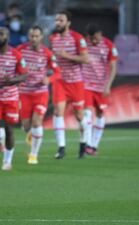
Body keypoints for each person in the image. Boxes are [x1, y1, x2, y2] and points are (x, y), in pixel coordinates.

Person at [0, 27, 28, 171]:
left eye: (1, 34)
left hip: (11, 98)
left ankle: (7, 161)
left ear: (7, 37)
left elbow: (25, 75)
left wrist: (13, 80)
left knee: (9, 129)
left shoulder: (15, 54)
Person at [49, 10, 90, 159]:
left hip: (76, 82)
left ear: (68, 22)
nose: (57, 23)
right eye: (56, 20)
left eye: (61, 20)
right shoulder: (53, 38)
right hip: (60, 81)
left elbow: (86, 59)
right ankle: (61, 147)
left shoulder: (77, 38)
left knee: (79, 116)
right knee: (58, 112)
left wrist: (67, 56)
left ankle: (83, 143)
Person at [17, 25, 60, 164]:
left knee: (37, 122)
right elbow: (13, 63)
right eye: (31, 36)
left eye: (36, 36)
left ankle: (33, 155)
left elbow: (58, 72)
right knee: (26, 125)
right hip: (24, 92)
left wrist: (49, 79)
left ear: (41, 37)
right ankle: (31, 134)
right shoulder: (20, 50)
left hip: (40, 93)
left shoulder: (47, 53)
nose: (34, 38)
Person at [82, 24, 118, 156]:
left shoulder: (109, 45)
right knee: (87, 113)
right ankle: (88, 144)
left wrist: (108, 85)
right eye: (92, 39)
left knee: (100, 114)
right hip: (86, 84)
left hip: (101, 86)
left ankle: (94, 145)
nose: (94, 41)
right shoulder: (83, 44)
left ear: (100, 33)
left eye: (96, 38)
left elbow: (113, 67)